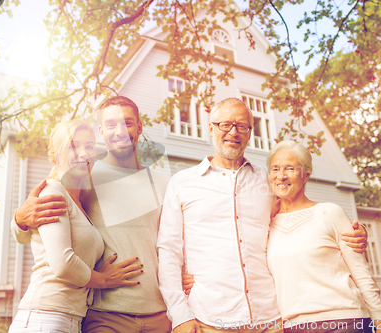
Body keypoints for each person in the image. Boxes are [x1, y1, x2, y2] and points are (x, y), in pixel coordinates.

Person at [156, 97, 368, 333]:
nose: (233, 132)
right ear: (211, 128)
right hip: (210, 319)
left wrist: (354, 232)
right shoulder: (183, 183)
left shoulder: (268, 181)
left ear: (249, 133)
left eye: (242, 126)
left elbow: (299, 218)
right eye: (225, 124)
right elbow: (168, 250)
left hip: (272, 320)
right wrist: (180, 314)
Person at [11, 97, 172, 333]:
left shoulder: (163, 183)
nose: (120, 132)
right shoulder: (83, 176)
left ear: (139, 127)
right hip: (103, 313)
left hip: (158, 313)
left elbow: (176, 240)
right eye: (111, 125)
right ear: (101, 131)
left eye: (127, 123)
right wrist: (19, 219)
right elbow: (37, 225)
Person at [266, 140, 381, 333]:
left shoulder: (330, 213)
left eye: (289, 168)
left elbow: (361, 273)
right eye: (275, 169)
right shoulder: (266, 226)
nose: (281, 176)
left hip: (344, 322)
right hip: (294, 326)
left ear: (306, 175)